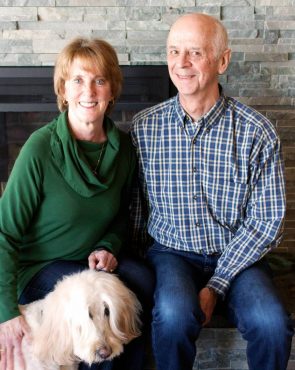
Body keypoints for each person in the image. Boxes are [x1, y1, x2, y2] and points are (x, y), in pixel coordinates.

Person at [130, 13, 294, 370]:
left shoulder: (256, 131)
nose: (181, 64)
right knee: (173, 316)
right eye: (174, 51)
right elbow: (136, 209)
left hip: (238, 256)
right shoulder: (144, 128)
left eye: (195, 53)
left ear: (223, 60)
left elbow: (267, 221)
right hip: (172, 253)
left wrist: (216, 284)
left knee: (272, 324)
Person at [0, 37, 154, 370]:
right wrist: (4, 311)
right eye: (78, 80)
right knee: (96, 299)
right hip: (40, 265)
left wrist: (108, 245)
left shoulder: (124, 149)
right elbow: (4, 233)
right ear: (64, 90)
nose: (89, 90)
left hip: (89, 260)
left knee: (141, 280)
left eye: (99, 80)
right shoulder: (39, 149)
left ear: (112, 90)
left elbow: (122, 215)